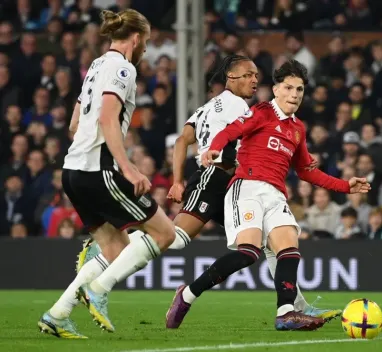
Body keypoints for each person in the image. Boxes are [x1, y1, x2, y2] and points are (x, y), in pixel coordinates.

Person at [76, 54, 341, 327]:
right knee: (175, 237)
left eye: (256, 77)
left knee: (268, 244)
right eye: (249, 76)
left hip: (229, 182)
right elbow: (236, 138)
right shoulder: (239, 106)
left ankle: (294, 307)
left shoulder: (208, 108)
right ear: (232, 78)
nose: (254, 81)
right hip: (216, 178)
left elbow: (182, 140)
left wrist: (178, 180)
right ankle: (110, 248)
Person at [166, 60, 371, 331]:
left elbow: (307, 172)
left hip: (275, 194)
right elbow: (231, 131)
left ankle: (286, 311)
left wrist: (346, 186)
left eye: (299, 90)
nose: (294, 95)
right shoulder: (261, 112)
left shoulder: (298, 129)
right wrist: (214, 149)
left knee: (289, 247)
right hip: (246, 188)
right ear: (276, 90)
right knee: (248, 253)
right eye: (288, 88)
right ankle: (188, 294)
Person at [38, 9, 176, 339]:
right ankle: (98, 290)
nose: (145, 49)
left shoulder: (97, 65)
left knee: (114, 251)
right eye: (146, 42)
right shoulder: (122, 68)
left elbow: (75, 124)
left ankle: (57, 314)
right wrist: (127, 168)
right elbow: (108, 119)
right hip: (97, 170)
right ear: (137, 39)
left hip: (73, 169)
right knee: (165, 233)